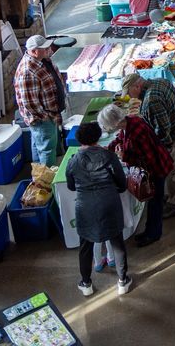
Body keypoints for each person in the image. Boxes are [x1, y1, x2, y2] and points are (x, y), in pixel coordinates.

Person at [64, 122, 131, 297]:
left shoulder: (73, 162)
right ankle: (123, 281)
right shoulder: (109, 156)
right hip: (109, 203)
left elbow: (71, 186)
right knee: (117, 242)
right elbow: (122, 184)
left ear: (79, 140)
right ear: (98, 137)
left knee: (85, 246)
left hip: (85, 206)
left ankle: (86, 284)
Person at [97, 103, 173, 247]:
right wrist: (108, 148)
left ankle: (153, 234)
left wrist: (124, 156)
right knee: (153, 201)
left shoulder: (137, 131)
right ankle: (149, 231)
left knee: (155, 203)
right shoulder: (129, 122)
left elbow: (147, 158)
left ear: (115, 122)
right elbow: (120, 138)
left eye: (108, 125)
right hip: (153, 166)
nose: (109, 128)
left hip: (156, 169)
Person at [122, 72, 175, 218]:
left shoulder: (151, 99)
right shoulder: (160, 81)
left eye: (129, 92)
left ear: (137, 86)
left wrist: (165, 147)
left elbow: (163, 127)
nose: (129, 97)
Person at [14, 35, 62, 166]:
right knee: (47, 149)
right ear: (34, 51)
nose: (49, 49)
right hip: (42, 117)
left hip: (49, 113)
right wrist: (45, 117)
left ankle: (38, 175)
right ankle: (48, 179)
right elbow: (29, 102)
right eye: (45, 48)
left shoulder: (41, 59)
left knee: (38, 144)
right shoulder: (28, 71)